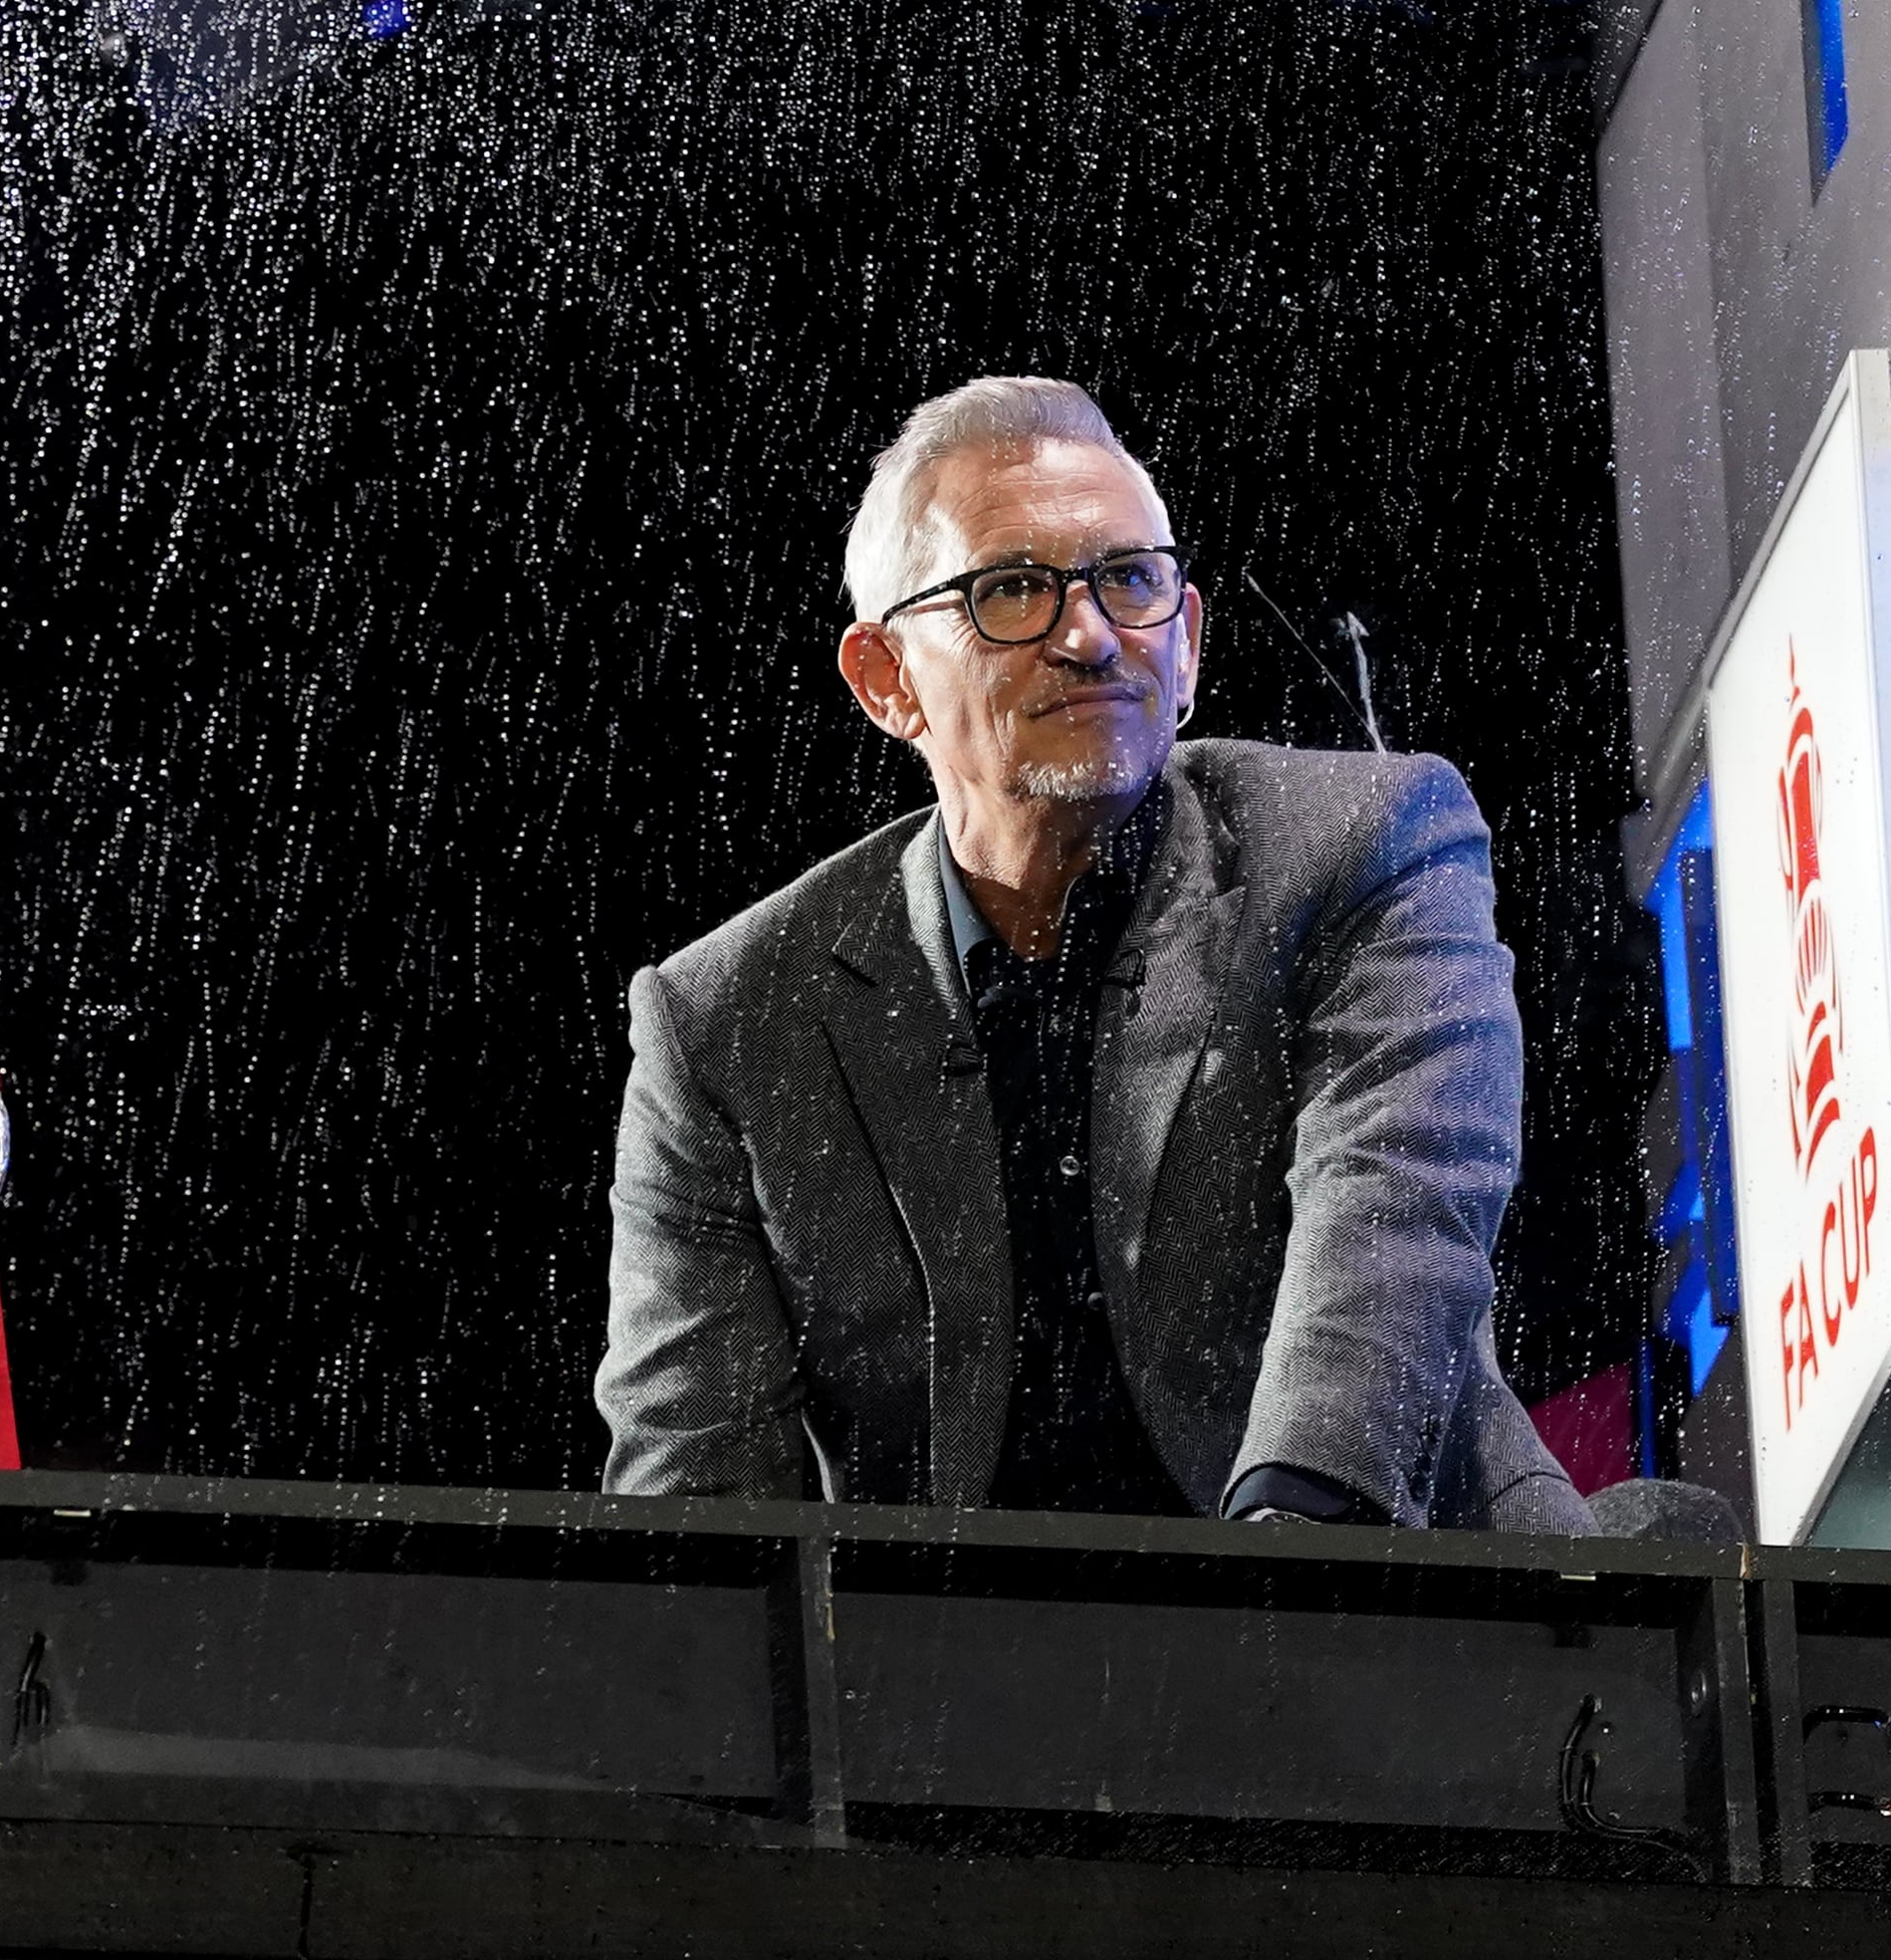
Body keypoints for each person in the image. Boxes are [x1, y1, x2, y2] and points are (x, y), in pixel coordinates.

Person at [595, 375, 1595, 1531]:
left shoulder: (1364, 841)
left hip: (1397, 1610)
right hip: (954, 1674)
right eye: (1011, 589)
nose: (1088, 636)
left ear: (1188, 646)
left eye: (1128, 580)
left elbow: (1398, 1206)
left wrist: (1289, 1566)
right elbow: (700, 1495)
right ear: (885, 682)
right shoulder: (725, 1022)